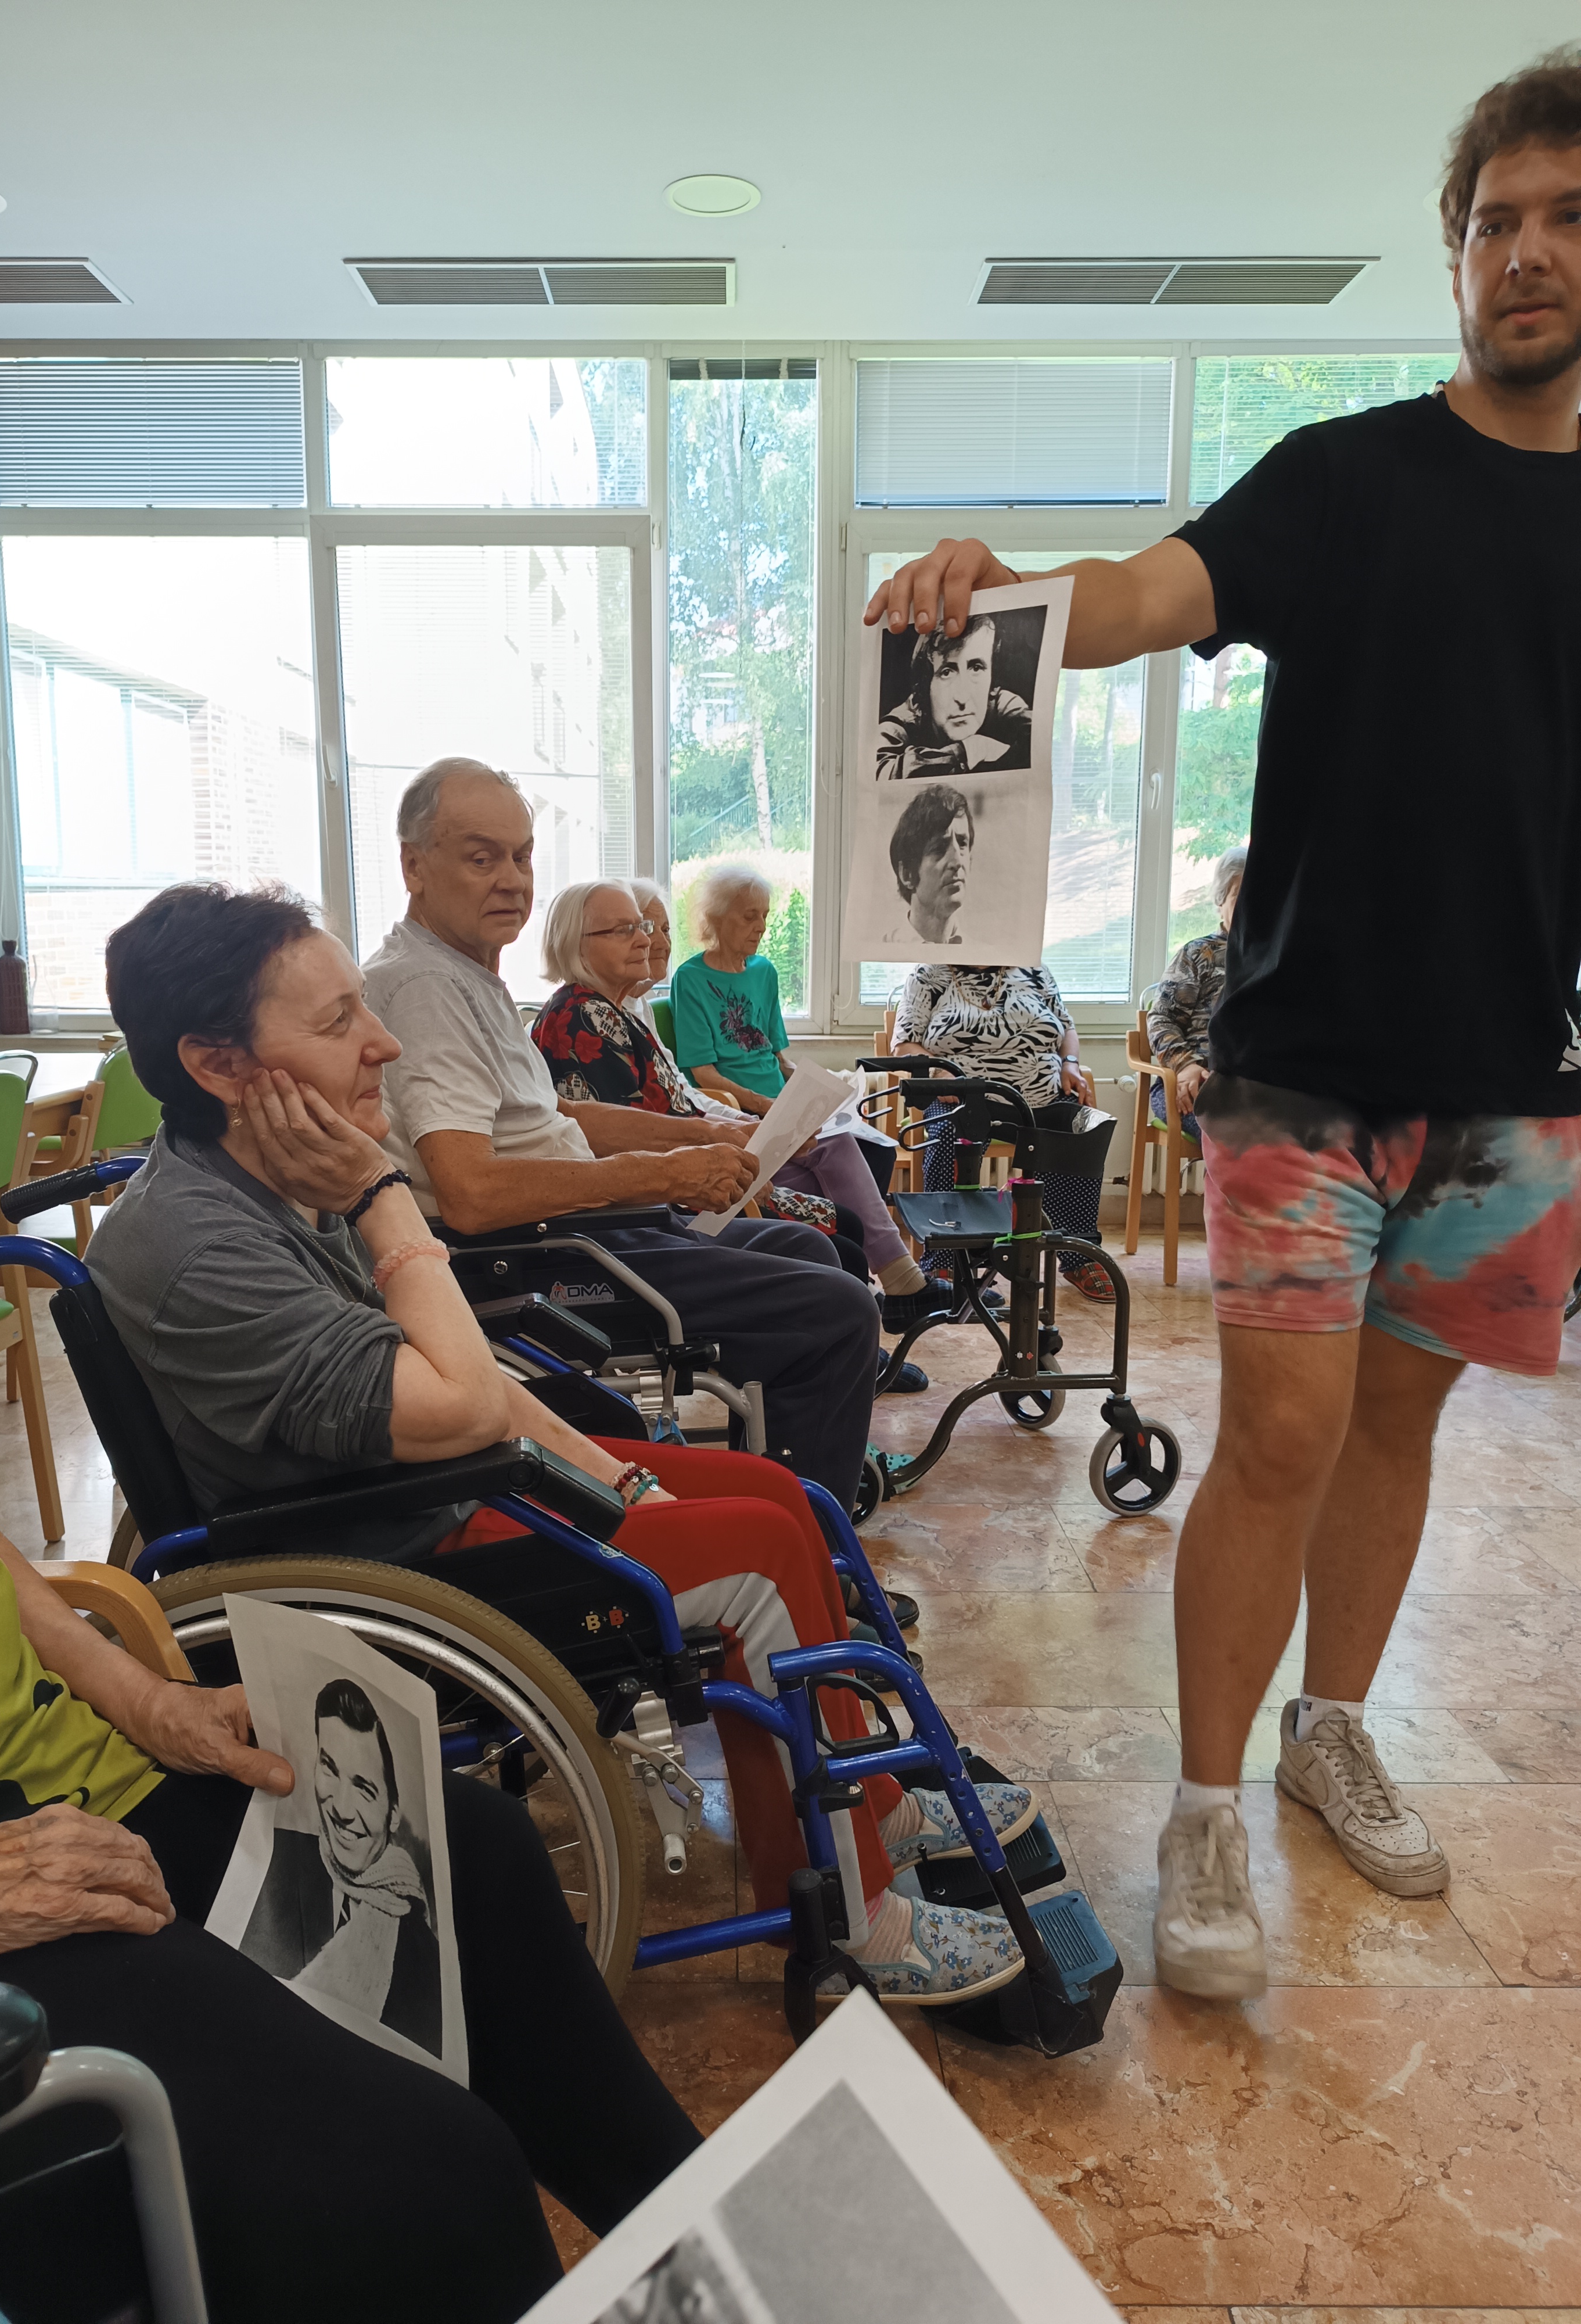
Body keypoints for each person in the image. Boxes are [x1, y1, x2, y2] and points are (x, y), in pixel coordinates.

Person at [865, 47, 1581, 2002]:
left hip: (1523, 1085)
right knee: (1279, 1434)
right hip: (1302, 1069)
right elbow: (1139, 595)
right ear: (1455, 256)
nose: (1523, 251)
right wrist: (998, 596)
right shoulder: (1346, 479)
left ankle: (1329, 1732)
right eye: (1492, 222)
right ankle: (1201, 1809)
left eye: (1563, 218)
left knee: (1403, 1425)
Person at [87, 877, 1037, 2003]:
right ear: (218, 1063)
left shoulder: (268, 1175)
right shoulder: (206, 1246)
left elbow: (474, 1387)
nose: (383, 1042)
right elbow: (460, 1407)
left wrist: (612, 1471)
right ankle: (856, 1921)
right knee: (753, 1558)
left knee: (776, 1498)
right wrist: (385, 1196)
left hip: (430, 1485)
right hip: (381, 1551)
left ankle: (862, 1799)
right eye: (340, 1021)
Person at [0, 1318, 698, 2324]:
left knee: (481, 1858)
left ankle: (714, 2269)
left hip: (73, 1785)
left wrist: (146, 1700)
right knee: (422, 2185)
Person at [358, 758, 883, 1509]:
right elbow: (471, 1193)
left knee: (808, 1250)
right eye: (482, 858)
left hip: (580, 1230)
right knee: (838, 1310)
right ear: (414, 866)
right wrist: (662, 1174)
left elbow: (556, 1118)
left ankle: (769, 1487)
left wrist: (705, 1133)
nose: (511, 880)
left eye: (522, 856)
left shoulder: (465, 973)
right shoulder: (426, 989)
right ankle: (801, 1534)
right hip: (532, 1257)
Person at [528, 879, 863, 1268]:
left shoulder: (614, 1011)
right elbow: (625, 1147)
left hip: (697, 1181)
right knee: (843, 1246)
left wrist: (747, 1136)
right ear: (575, 943)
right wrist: (727, 1152)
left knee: (847, 1226)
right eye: (624, 930)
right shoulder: (582, 1017)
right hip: (670, 1206)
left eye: (644, 927)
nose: (645, 941)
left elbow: (676, 1108)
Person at [669, 866, 936, 1326]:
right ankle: (900, 1281)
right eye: (749, 916)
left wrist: (820, 1088)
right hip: (743, 1117)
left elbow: (778, 1058)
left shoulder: (764, 972)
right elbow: (703, 1074)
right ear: (715, 918)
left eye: (765, 916)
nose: (761, 927)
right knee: (839, 1148)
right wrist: (765, 1106)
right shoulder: (690, 979)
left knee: (867, 1147)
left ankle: (864, 1290)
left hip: (785, 1113)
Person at [892, 963, 1113, 1305]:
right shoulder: (930, 974)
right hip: (965, 1096)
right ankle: (945, 1260)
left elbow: (1066, 1028)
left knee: (1084, 1132)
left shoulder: (1034, 970)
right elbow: (904, 1045)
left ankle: (1078, 1252)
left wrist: (1070, 1063)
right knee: (948, 1138)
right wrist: (939, 1072)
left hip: (1041, 1094)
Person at [241, 1679, 441, 2055]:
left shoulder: (424, 1954)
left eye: (365, 1789)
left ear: (393, 1814)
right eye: (329, 1768)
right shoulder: (266, 1861)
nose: (342, 1810)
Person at [1148, 846, 1248, 1139]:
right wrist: (1185, 1066)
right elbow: (1161, 1019)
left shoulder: (1277, 961)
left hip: (1255, 1088)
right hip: (1195, 1080)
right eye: (1239, 896)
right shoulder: (1198, 954)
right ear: (1221, 900)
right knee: (1242, 1134)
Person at [874, 613, 1033, 779]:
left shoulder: (999, 702)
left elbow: (1041, 743)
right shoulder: (904, 719)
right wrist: (966, 752)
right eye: (947, 673)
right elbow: (878, 771)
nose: (962, 698)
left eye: (976, 668)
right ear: (925, 685)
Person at [879, 786, 973, 947]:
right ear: (907, 875)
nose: (957, 862)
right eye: (939, 848)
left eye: (963, 843)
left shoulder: (982, 955)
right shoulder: (883, 950)